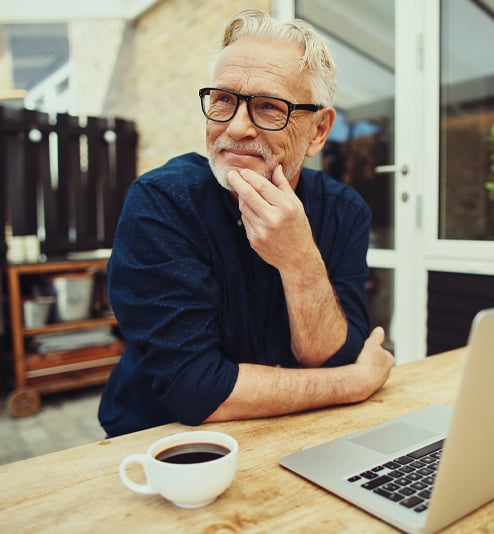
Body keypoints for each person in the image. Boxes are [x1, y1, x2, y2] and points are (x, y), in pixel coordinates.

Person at [98, 9, 395, 437]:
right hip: (164, 447)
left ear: (317, 131)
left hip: (296, 432)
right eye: (223, 99)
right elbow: (194, 389)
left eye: (269, 107)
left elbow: (332, 355)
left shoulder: (343, 209)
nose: (236, 128)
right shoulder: (162, 204)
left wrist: (300, 261)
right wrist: (353, 382)